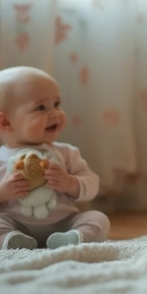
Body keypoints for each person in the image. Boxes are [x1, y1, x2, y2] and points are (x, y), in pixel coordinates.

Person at [0, 66, 110, 249]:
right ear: (5, 122)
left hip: (64, 223)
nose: (55, 113)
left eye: (57, 104)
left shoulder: (66, 153)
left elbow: (92, 184)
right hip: (14, 223)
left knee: (98, 218)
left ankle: (74, 238)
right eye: (41, 107)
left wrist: (69, 183)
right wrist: (2, 192)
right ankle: (12, 241)